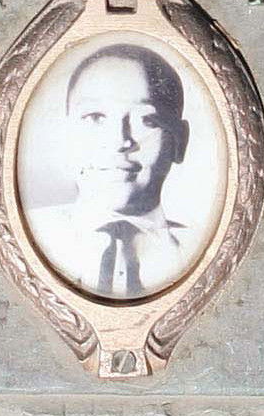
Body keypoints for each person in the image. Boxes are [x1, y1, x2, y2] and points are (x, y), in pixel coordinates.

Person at [24, 40, 198, 299]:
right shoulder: (27, 236)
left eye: (147, 120)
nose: (119, 141)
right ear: (65, 133)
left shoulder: (202, 251)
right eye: (95, 117)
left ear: (180, 142)